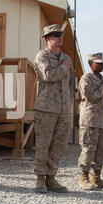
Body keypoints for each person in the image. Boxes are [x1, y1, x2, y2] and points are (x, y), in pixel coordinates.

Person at [33, 24, 74, 193]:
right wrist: (63, 67)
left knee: (59, 145)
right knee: (43, 144)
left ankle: (51, 177)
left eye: (61, 34)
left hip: (64, 109)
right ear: (48, 38)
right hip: (46, 108)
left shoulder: (67, 58)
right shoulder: (42, 56)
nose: (60, 37)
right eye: (56, 35)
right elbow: (48, 75)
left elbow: (70, 83)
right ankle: (40, 179)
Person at [77, 52, 103, 190]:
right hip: (90, 120)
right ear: (90, 64)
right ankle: (84, 177)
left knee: (102, 149)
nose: (101, 65)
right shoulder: (86, 79)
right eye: (98, 63)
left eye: (102, 63)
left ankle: (96, 177)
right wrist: (102, 87)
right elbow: (92, 97)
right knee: (88, 148)